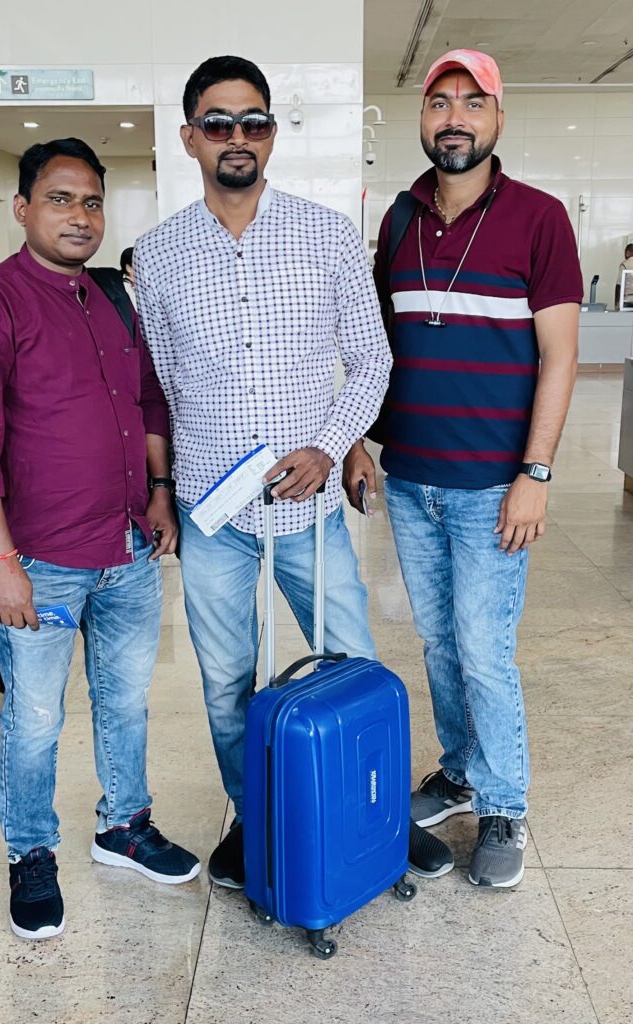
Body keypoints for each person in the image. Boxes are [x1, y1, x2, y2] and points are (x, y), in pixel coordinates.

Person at [135, 54, 452, 889]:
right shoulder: (159, 256)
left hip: (306, 505)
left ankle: (374, 812)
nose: (236, 138)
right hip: (213, 511)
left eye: (253, 122)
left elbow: (372, 360)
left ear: (272, 134)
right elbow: (161, 385)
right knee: (223, 679)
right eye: (217, 124)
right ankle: (253, 815)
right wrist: (164, 490)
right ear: (189, 137)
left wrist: (332, 446)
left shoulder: (325, 234)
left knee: (352, 660)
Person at [0, 137, 200, 942]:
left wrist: (158, 494)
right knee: (35, 719)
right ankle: (31, 852)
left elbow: (147, 405)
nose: (80, 215)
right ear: (22, 210)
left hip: (125, 550)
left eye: (91, 201)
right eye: (60, 199)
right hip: (40, 560)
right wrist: (1, 561)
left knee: (125, 704)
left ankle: (123, 825)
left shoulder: (115, 298)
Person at [343, 49, 582, 889]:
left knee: (484, 648)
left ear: (497, 119)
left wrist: (536, 473)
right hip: (409, 476)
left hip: (493, 483)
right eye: (439, 102)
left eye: (471, 103)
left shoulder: (539, 218)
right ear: (421, 119)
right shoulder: (401, 220)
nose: (453, 117)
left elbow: (558, 358)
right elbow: (375, 345)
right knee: (439, 641)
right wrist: (354, 439)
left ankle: (504, 804)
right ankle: (458, 770)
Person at [615, 242, 633, 309]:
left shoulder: (625, 264)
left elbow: (619, 285)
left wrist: (617, 304)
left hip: (628, 300)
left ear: (628, 252)